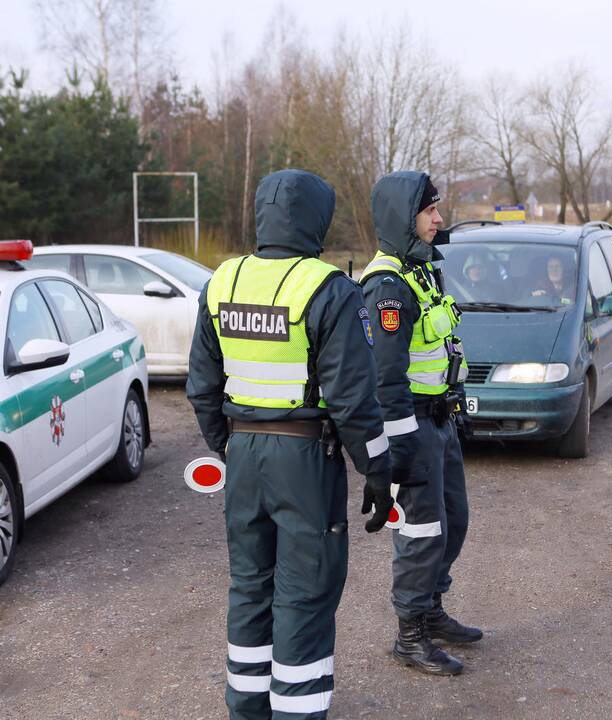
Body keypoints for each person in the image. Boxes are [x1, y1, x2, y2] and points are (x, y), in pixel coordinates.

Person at [187, 169, 394, 720]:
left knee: (250, 587)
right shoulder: (328, 289)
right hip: (304, 458)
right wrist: (376, 470)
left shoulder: (221, 283)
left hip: (243, 453)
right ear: (318, 220)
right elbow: (353, 400)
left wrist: (227, 445)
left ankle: (247, 710)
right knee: (304, 591)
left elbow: (202, 386)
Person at [359, 171, 482, 676]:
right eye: (430, 211)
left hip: (440, 419)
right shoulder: (385, 285)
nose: (439, 219)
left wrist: (458, 403)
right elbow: (386, 379)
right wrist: (399, 450)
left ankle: (430, 610)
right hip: (412, 425)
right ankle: (410, 635)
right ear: (402, 218)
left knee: (454, 521)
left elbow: (441, 346)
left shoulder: (423, 270)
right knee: (422, 531)